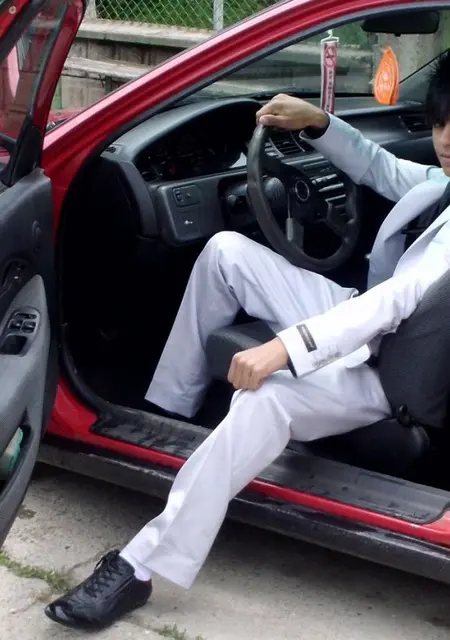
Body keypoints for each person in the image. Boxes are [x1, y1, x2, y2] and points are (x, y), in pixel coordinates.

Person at [45, 52, 450, 631]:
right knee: (225, 253)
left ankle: (139, 566)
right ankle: (170, 419)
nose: (445, 139)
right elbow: (380, 168)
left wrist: (283, 348)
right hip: (361, 320)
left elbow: (396, 300)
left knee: (266, 398)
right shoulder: (442, 183)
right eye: (439, 122)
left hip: (391, 370)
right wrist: (319, 123)